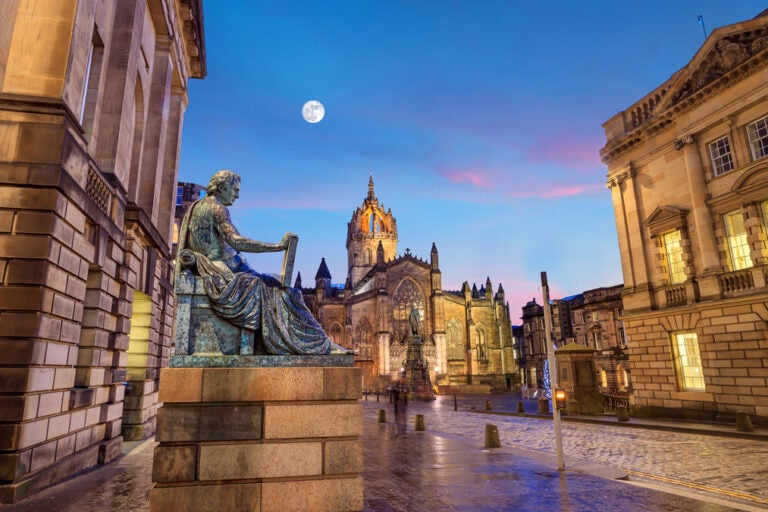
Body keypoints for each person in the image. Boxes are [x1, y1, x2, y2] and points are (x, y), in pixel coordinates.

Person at [176, 169, 332, 355]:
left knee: (277, 284)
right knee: (288, 292)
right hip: (223, 271)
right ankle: (313, 344)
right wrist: (277, 247)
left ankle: (311, 342)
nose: (237, 195)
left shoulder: (195, 207)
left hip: (218, 268)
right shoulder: (217, 208)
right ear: (222, 187)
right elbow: (237, 241)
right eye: (235, 190)